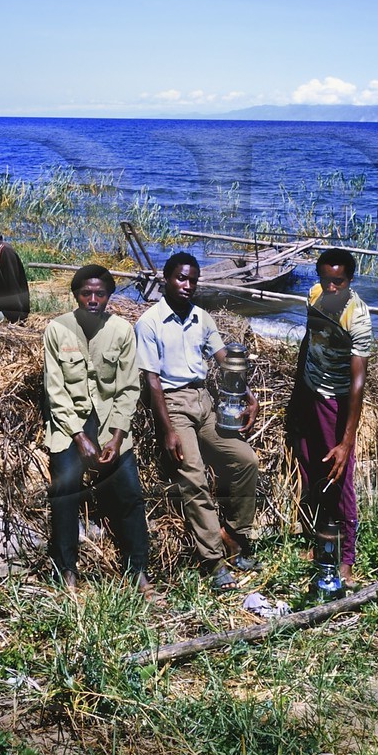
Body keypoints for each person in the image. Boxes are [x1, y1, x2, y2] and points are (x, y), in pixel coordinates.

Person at [134, 252, 259, 592]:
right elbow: (153, 382)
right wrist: (168, 430)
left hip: (204, 400)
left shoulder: (201, 317)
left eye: (192, 280)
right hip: (173, 405)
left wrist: (248, 396)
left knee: (246, 460)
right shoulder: (149, 323)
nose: (187, 285)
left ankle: (234, 535)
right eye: (181, 278)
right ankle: (213, 561)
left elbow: (225, 360)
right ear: (166, 279)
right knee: (194, 477)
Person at [42, 264, 151, 595]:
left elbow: (128, 388)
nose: (93, 300)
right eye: (86, 294)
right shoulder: (57, 330)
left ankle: (138, 571)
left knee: (130, 492)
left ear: (108, 297)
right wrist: (78, 437)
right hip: (69, 424)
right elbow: (55, 390)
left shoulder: (122, 330)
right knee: (65, 490)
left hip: (108, 423)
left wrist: (116, 438)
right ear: (75, 295)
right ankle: (67, 571)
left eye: (100, 294)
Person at [286, 247, 373, 577]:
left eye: (339, 282)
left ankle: (346, 557)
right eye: (326, 280)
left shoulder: (357, 317)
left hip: (334, 400)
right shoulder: (314, 296)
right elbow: (308, 343)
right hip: (311, 390)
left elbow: (357, 382)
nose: (331, 287)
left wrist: (346, 440)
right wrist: (297, 397)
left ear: (350, 281)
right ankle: (322, 539)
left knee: (339, 475)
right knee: (311, 466)